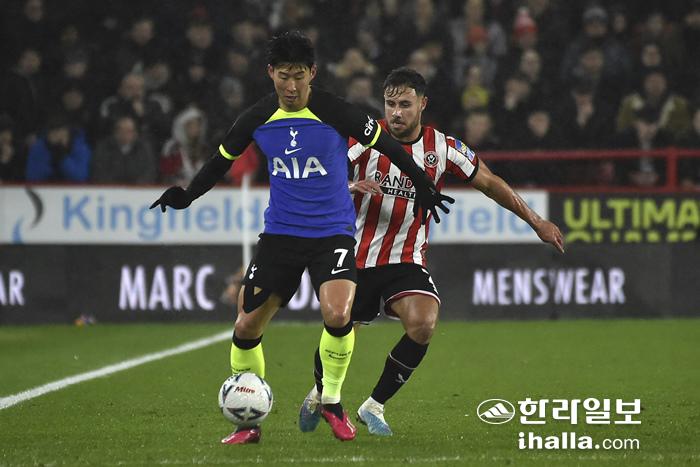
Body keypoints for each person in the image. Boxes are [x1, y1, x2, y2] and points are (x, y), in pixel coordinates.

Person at [149, 32, 451, 445]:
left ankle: (332, 403)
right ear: (270, 73)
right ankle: (248, 424)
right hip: (281, 235)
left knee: (339, 314)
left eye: (298, 76)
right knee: (246, 323)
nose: (291, 86)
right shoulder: (257, 117)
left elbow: (388, 147)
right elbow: (220, 160)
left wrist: (422, 183)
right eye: (283, 76)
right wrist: (186, 196)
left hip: (332, 233)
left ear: (312, 73)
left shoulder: (335, 111)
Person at [298, 67, 564, 436]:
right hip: (356, 255)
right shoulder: (361, 138)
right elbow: (313, 178)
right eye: (390, 104)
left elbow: (489, 182)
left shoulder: (443, 148)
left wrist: (536, 221)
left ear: (423, 104)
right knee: (341, 328)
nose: (396, 113)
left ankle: (374, 405)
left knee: (423, 324)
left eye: (405, 105)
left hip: (406, 258)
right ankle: (320, 392)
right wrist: (348, 186)